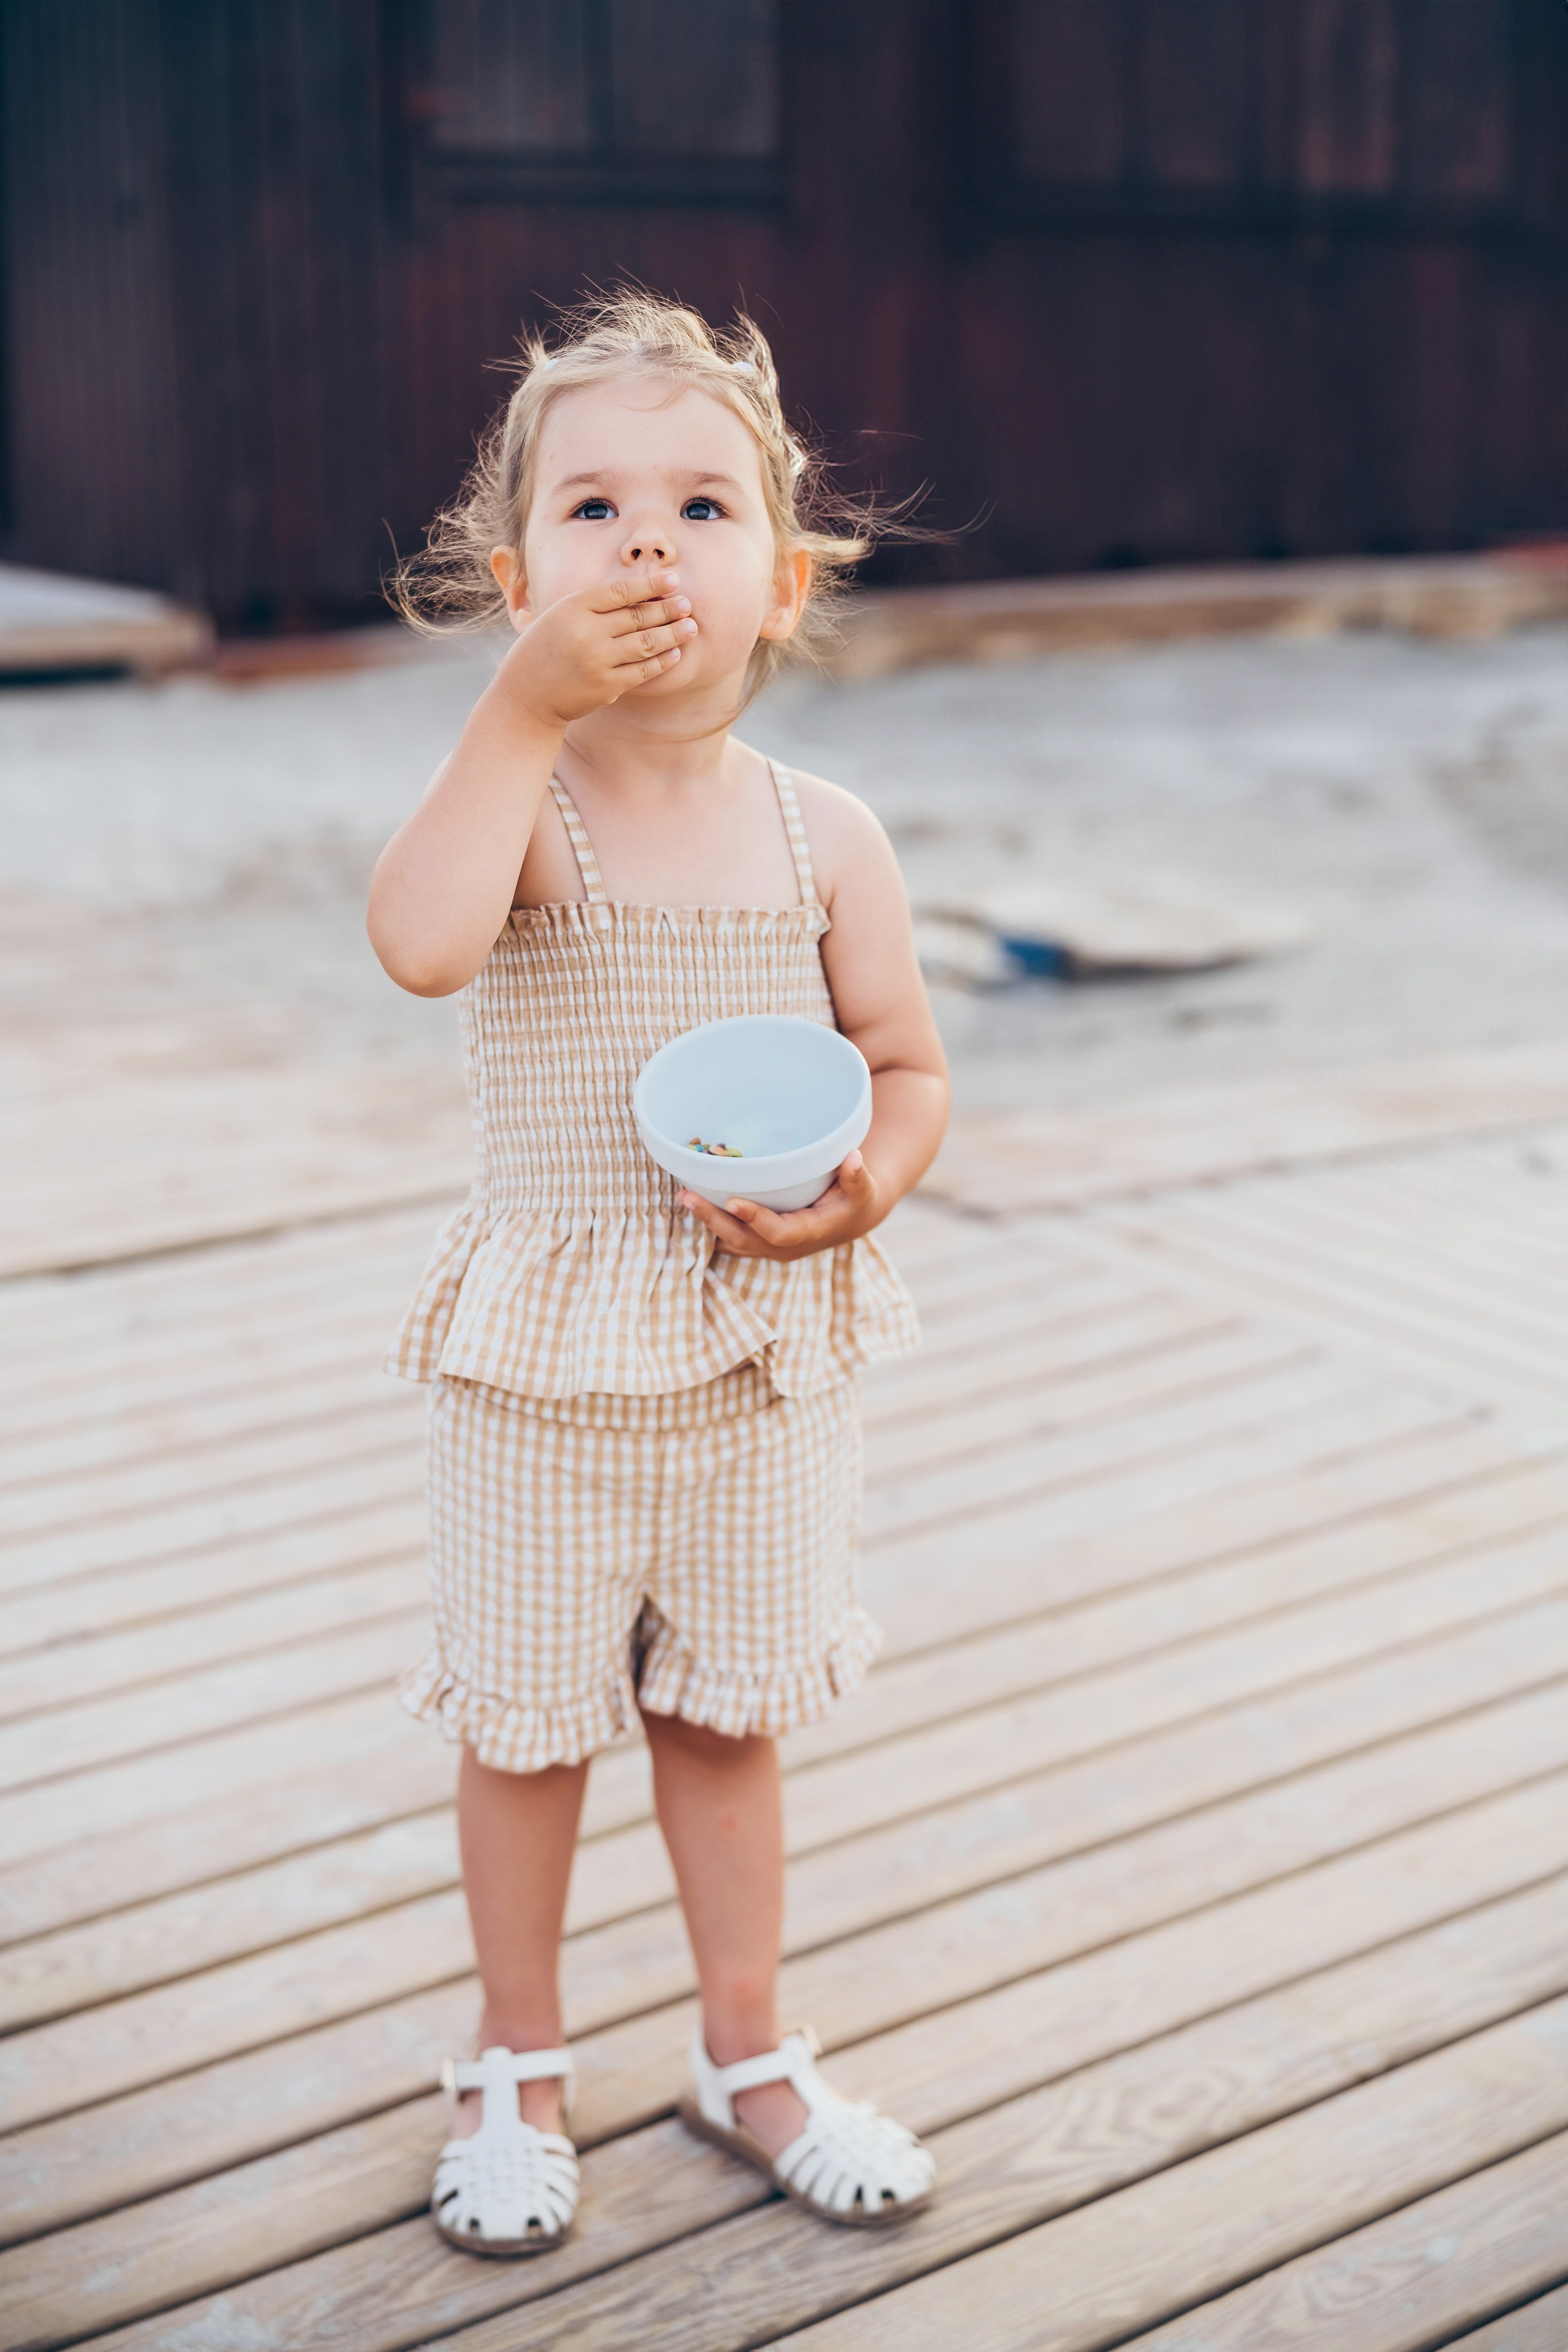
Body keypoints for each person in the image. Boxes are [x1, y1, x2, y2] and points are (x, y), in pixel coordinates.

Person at [368, 290, 949, 2256]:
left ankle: (745, 2050)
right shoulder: (523, 811)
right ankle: (517, 2062)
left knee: (725, 1718)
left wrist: (867, 1185)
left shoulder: (827, 835)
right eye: (591, 506)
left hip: (763, 1364)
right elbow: (417, 945)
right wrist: (515, 709)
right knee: (526, 1731)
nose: (642, 543)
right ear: (515, 572)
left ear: (780, 584)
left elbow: (910, 1068)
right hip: (540, 1388)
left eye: (699, 508)